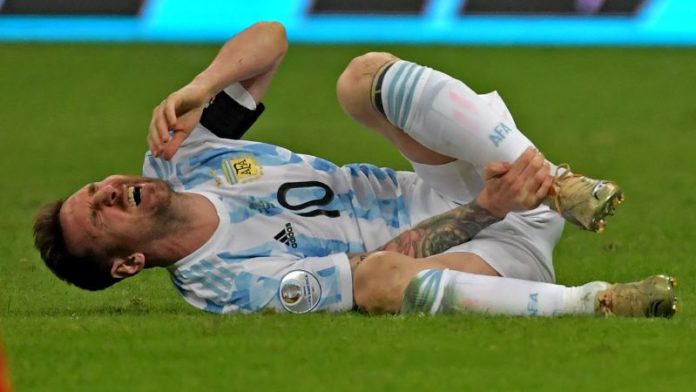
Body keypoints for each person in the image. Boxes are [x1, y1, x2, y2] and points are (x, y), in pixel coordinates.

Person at [33, 22, 677, 318]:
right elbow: (372, 272)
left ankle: (561, 186)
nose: (109, 191)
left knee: (358, 79)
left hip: (458, 179)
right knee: (379, 284)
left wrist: (203, 85)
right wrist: (490, 208)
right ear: (127, 265)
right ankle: (598, 303)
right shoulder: (223, 287)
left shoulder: (184, 153)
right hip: (481, 252)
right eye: (100, 213)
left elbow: (271, 40)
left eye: (96, 188)